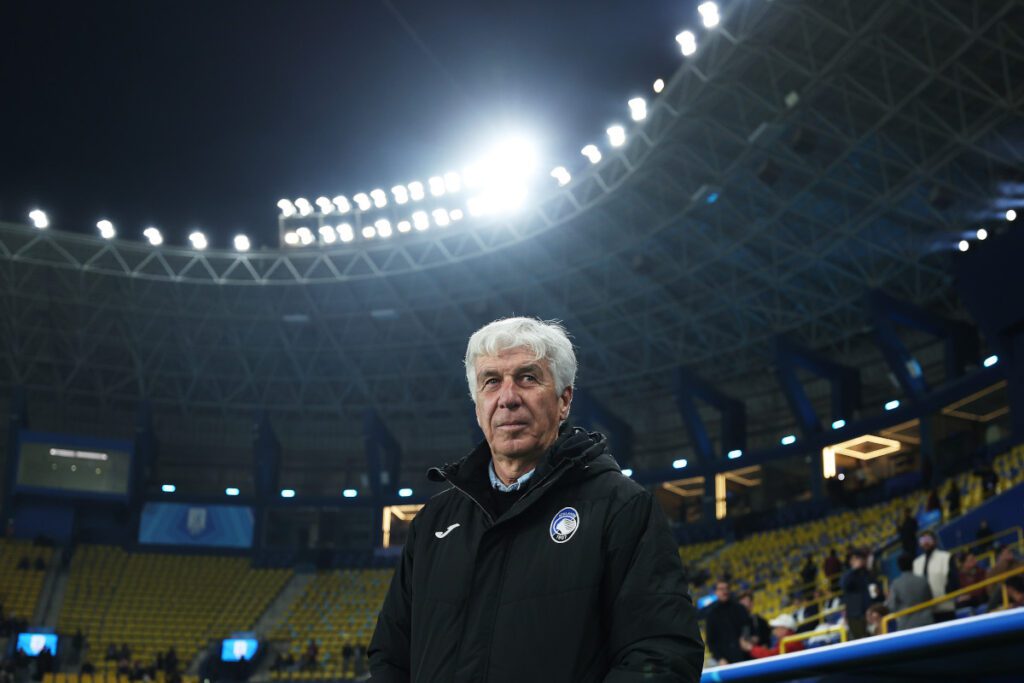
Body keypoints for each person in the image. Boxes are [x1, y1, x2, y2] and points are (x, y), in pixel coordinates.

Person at [369, 317, 705, 681]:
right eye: (491, 381)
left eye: (527, 378)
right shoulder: (434, 521)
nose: (508, 398)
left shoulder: (620, 506)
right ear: (478, 404)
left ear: (564, 400)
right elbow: (390, 656)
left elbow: (661, 655)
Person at [912, 530, 958, 622]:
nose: (925, 542)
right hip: (924, 613)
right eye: (922, 540)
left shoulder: (946, 557)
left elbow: (954, 580)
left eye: (928, 539)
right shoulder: (916, 563)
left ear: (935, 541)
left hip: (945, 609)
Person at [705, 580, 750, 665]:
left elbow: (747, 626)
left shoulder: (739, 608)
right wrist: (719, 658)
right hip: (725, 660)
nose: (725, 591)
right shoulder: (711, 614)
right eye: (721, 589)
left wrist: (745, 638)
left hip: (744, 655)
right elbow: (711, 641)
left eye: (726, 588)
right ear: (716, 592)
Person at [886, 553, 933, 632]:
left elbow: (892, 606)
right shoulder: (922, 580)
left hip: (906, 625)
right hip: (926, 621)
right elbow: (930, 598)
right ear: (912, 564)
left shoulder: (896, 583)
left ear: (899, 567)